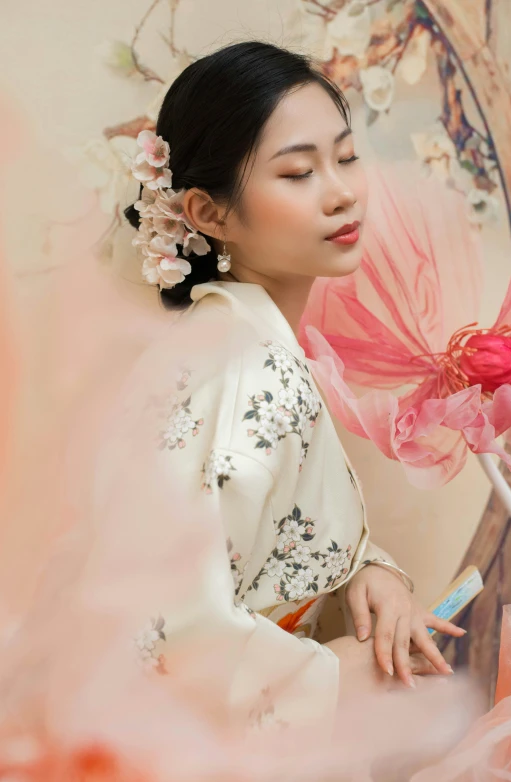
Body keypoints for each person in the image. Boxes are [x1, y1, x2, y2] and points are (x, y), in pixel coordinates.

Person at [124, 40, 464, 729]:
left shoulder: (234, 341)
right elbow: (169, 625)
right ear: (208, 213)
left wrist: (372, 571)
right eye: (299, 172)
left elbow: (264, 532)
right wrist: (339, 672)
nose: (342, 192)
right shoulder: (248, 370)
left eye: (344, 157)